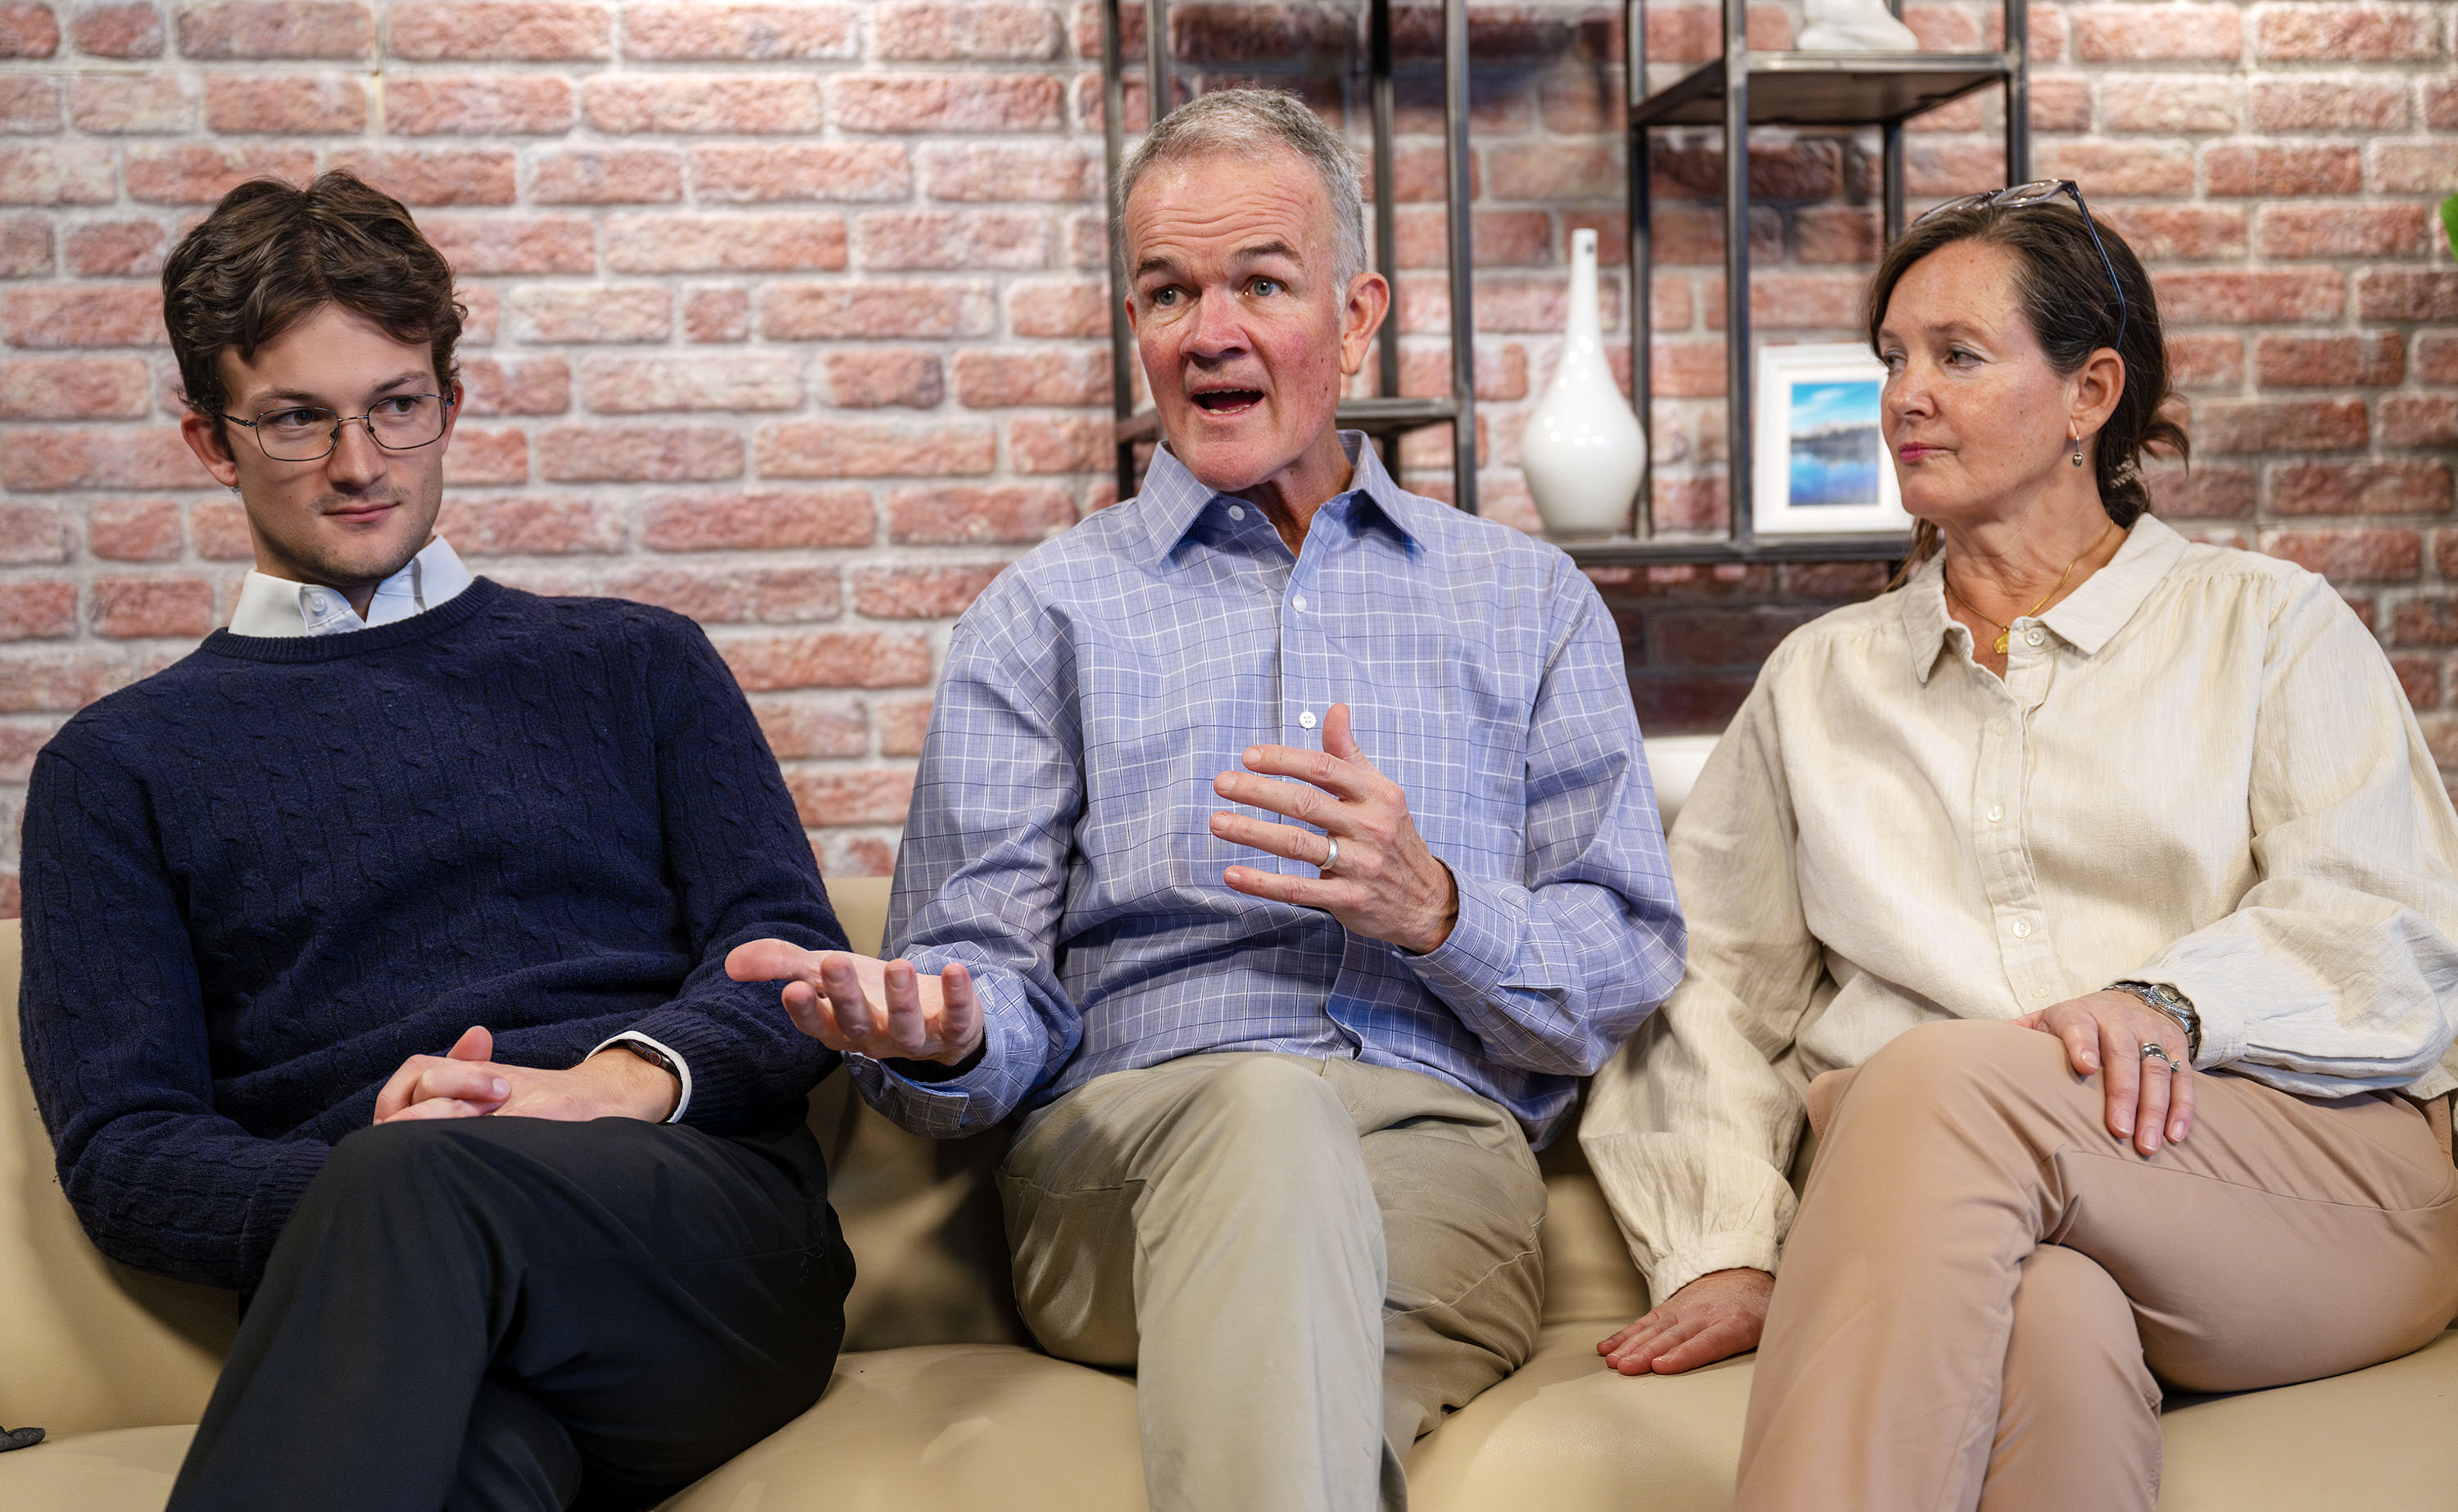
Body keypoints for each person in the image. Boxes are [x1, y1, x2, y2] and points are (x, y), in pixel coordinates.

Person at [728, 89, 1685, 1511]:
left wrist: (1440, 912)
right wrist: (949, 1029)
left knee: (1295, 1379)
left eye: (1260, 283)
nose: (1207, 330)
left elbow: (1624, 957)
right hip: (1124, 1166)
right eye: (1167, 292)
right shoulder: (1040, 615)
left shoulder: (1526, 601)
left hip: (1438, 1177)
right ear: (1136, 327)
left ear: (1357, 318)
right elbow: (979, 978)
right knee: (1259, 1119)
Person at [1579, 180, 2458, 1510]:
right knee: (2046, 1314)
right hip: (1977, 1211)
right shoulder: (1819, 682)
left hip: (2296, 1184)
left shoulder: (2270, 624)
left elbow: (2388, 917)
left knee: (1938, 1082)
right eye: (1892, 359)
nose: (1903, 397)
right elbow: (1709, 984)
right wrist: (1720, 1241)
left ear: (2091, 393)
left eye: (1958, 356)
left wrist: (2169, 1000)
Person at [16, 171, 856, 1512]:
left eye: (397, 406)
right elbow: (125, 1151)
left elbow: (792, 972)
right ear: (206, 439)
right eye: (297, 419)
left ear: (449, 405)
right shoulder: (114, 771)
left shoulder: (639, 665)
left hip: (697, 1263)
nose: (360, 464)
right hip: (396, 1300)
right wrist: (375, 1176)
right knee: (473, 1469)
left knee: (419, 1187)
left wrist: (609, 1084)